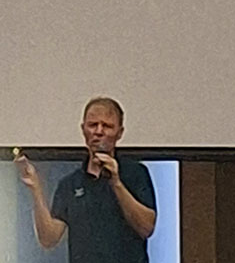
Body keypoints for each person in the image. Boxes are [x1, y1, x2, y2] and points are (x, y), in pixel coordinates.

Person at [16, 97, 157, 263]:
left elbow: (146, 228)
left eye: (107, 126)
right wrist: (36, 190)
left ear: (119, 133)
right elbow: (49, 239)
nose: (99, 131)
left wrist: (116, 183)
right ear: (83, 130)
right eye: (93, 125)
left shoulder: (136, 173)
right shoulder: (70, 184)